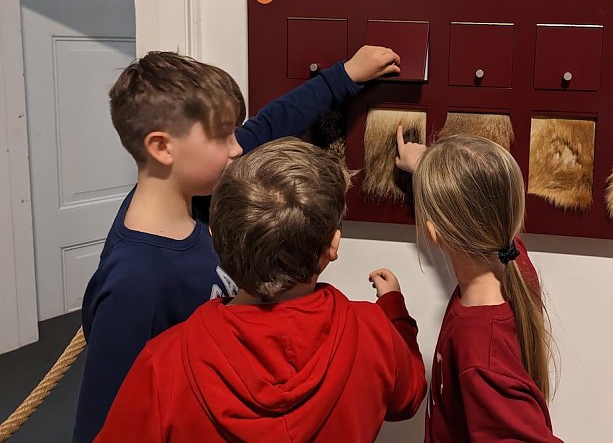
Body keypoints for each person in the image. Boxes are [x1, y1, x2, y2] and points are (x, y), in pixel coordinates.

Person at [73, 46, 400, 443]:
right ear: (162, 147)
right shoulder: (135, 284)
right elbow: (105, 423)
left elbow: (269, 126)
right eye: (222, 135)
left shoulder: (199, 193)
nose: (237, 148)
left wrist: (343, 77)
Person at [95, 137, 426, 441]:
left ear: (216, 237)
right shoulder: (373, 331)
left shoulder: (164, 363)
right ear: (332, 246)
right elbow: (408, 397)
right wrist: (394, 312)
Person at [396, 129, 563, 442]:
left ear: (434, 233)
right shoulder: (514, 261)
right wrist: (425, 166)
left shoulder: (479, 353)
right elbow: (482, 201)